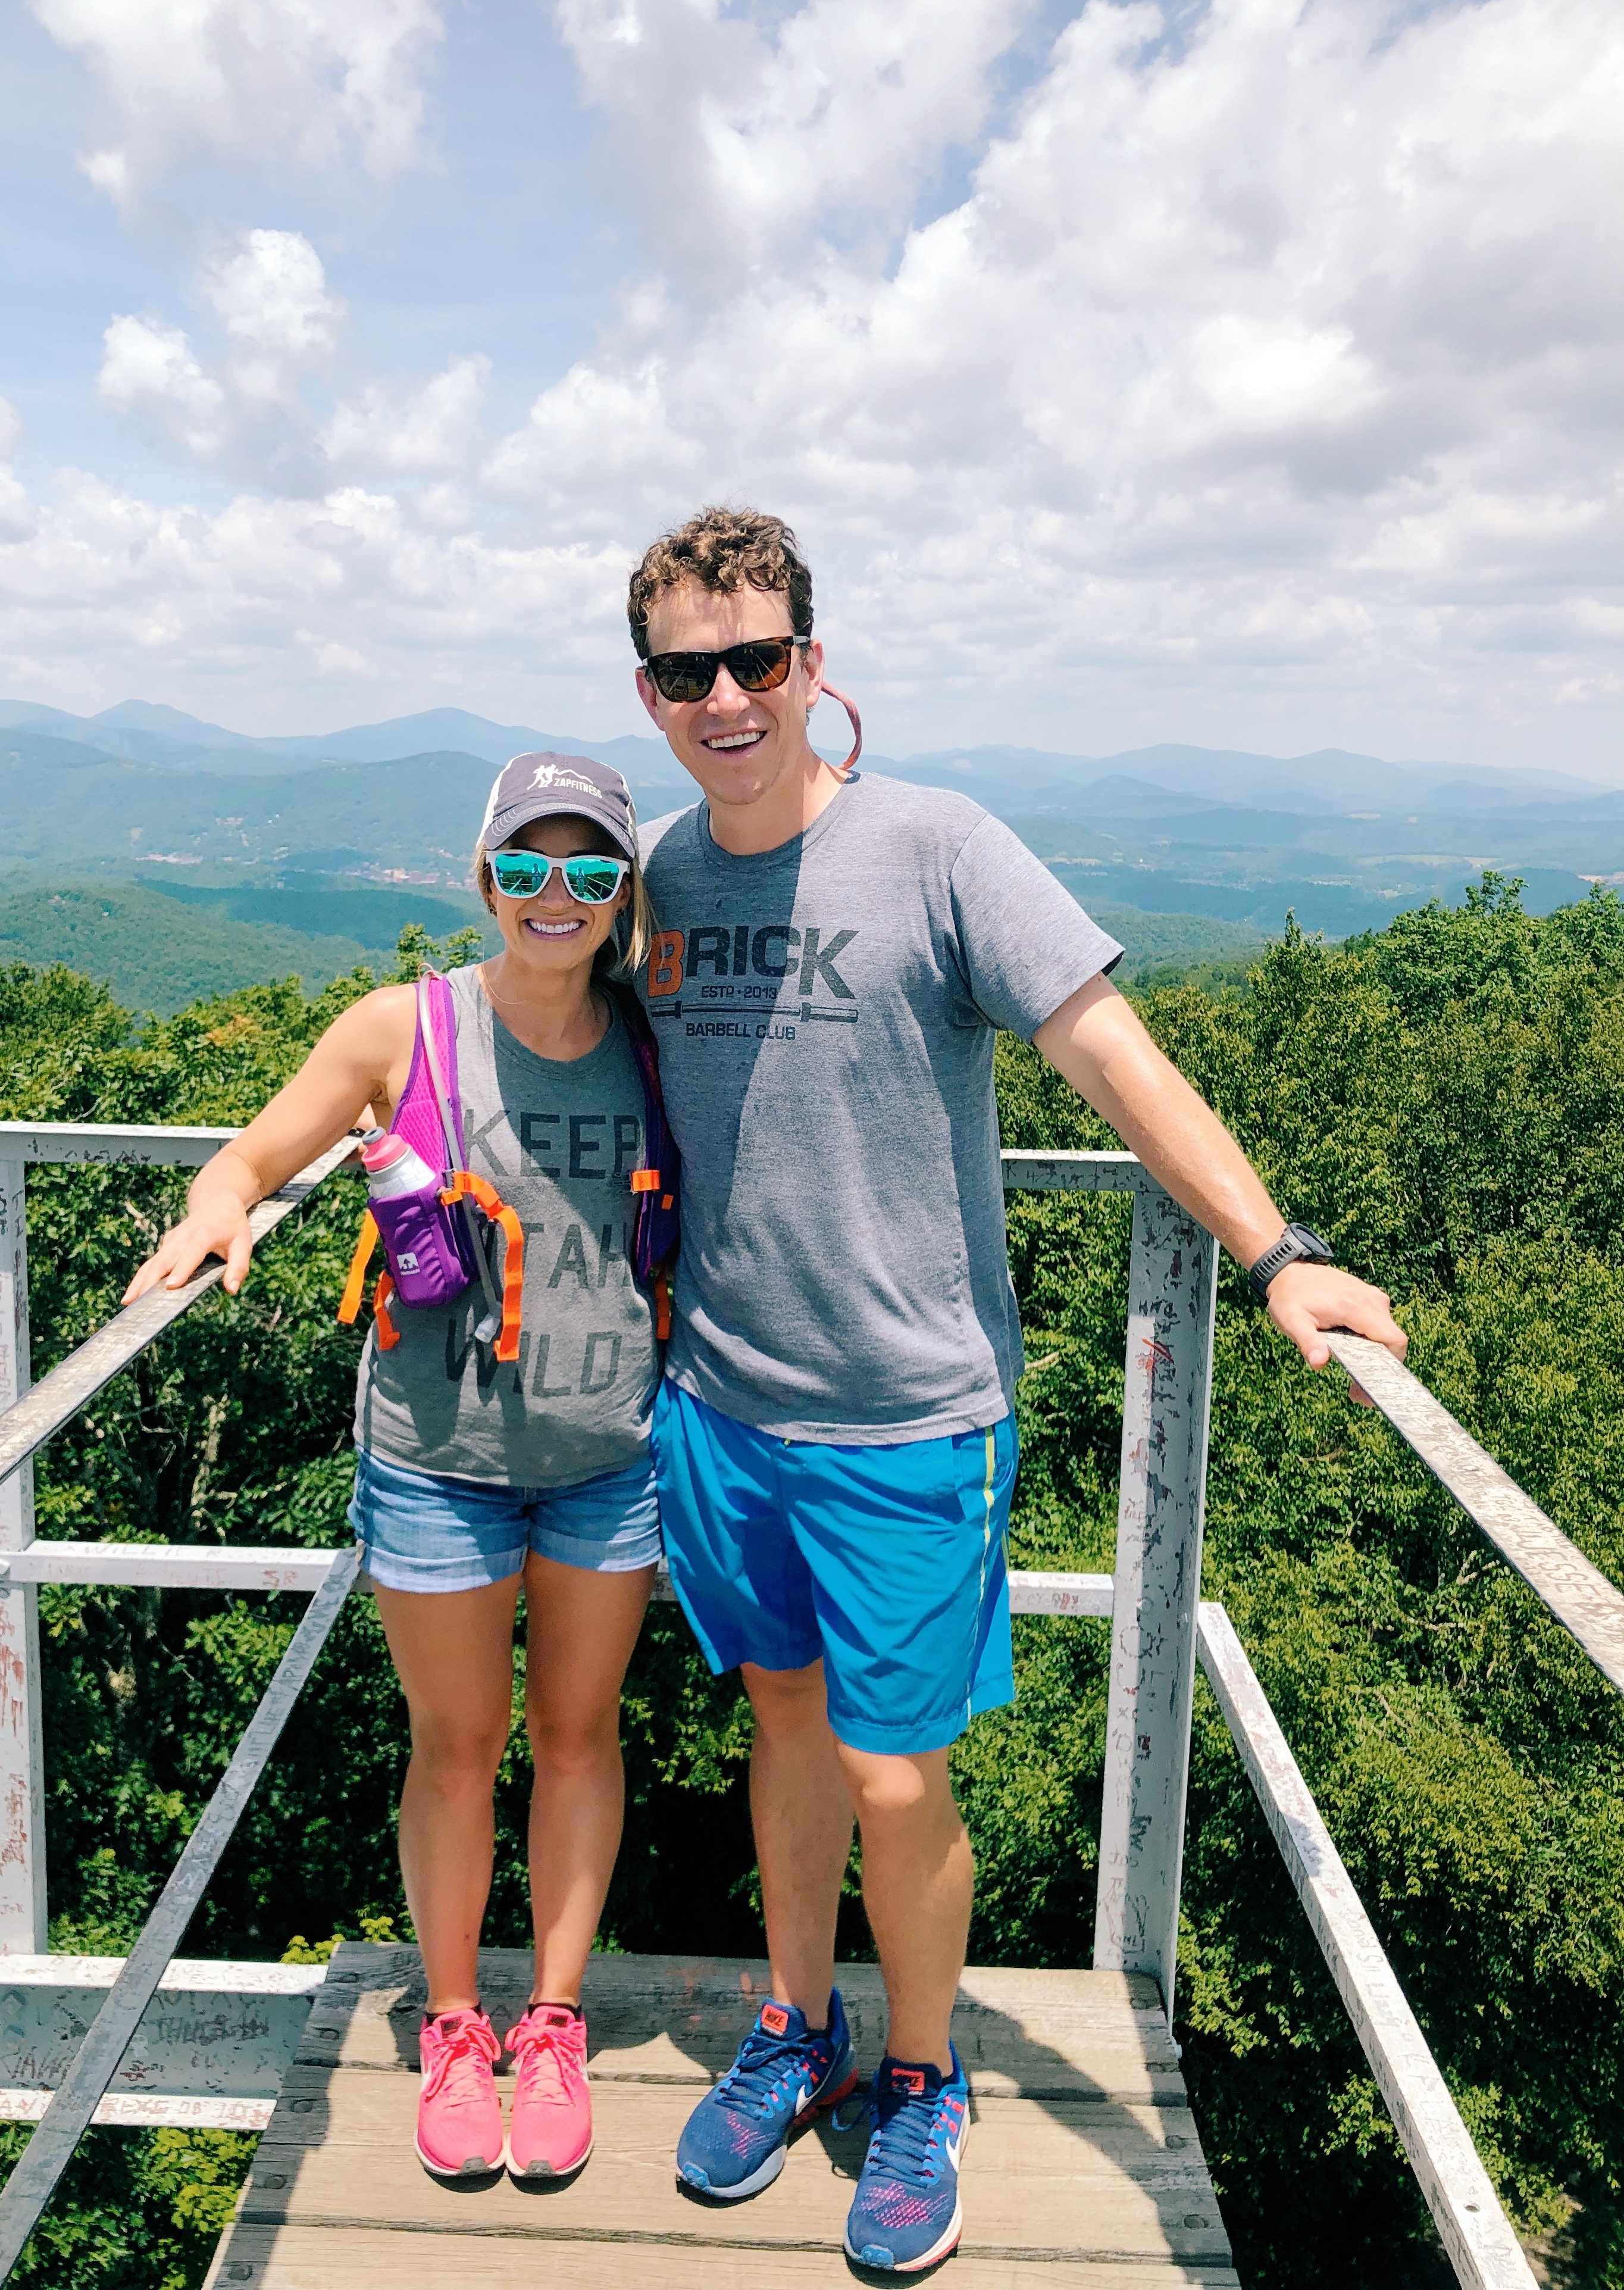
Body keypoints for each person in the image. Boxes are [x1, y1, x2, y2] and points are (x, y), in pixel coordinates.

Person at [627, 507, 1408, 2274]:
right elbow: (540, 1034)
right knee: (787, 1729)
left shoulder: (941, 847)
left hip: (910, 1415)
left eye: (758, 657)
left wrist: (1278, 1256)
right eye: (691, 669)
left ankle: (921, 2074)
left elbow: (1110, 1052)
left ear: (814, 664)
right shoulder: (658, 880)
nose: (729, 694)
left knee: (898, 1775)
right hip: (726, 1407)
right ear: (651, 692)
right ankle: (794, 2024)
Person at [124, 757, 665, 2188]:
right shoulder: (401, 1028)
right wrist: (218, 1219)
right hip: (438, 1460)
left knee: (578, 1736)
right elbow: (249, 1156)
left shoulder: (657, 1036)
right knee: (455, 1742)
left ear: (623, 893)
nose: (560, 898)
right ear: (486, 877)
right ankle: (450, 2021)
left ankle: (550, 2019)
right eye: (531, 868)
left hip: (611, 1453)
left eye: (593, 872)